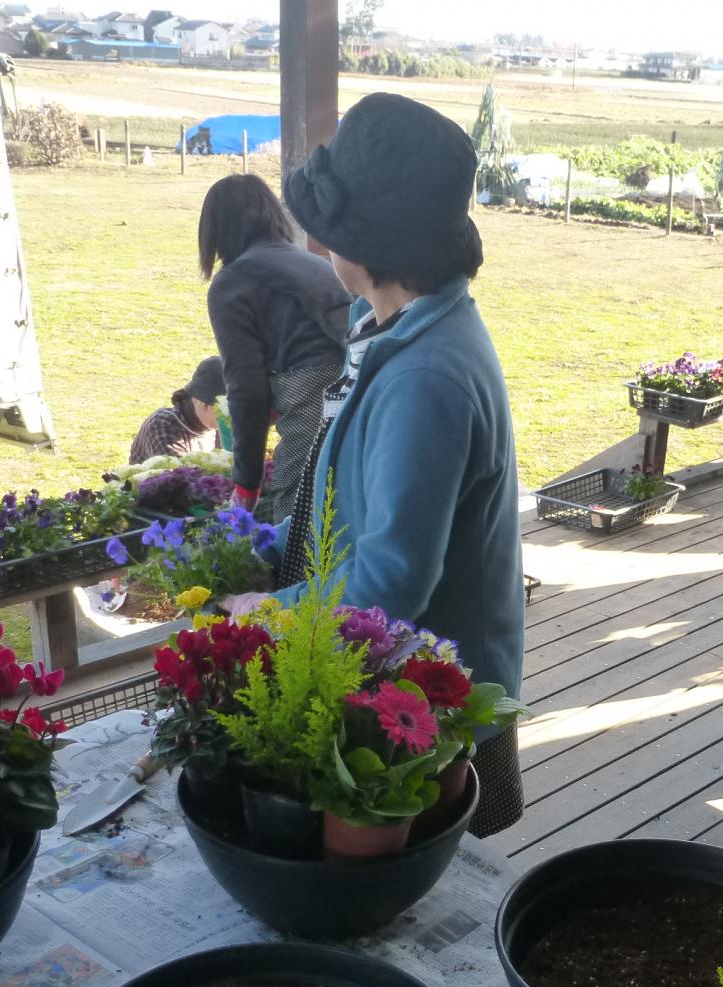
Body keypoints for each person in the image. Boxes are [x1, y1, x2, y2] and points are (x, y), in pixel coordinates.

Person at [276, 93, 525, 836]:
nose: (316, 240)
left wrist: (269, 615)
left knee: (423, 895)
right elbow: (355, 497)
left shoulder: (427, 379)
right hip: (403, 689)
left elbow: (389, 589)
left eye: (325, 228)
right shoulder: (389, 326)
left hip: (429, 721)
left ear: (366, 244)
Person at [200, 173, 350, 521]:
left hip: (311, 396)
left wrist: (246, 483)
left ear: (215, 230)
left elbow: (246, 387)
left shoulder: (232, 283)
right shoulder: (313, 263)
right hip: (357, 384)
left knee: (298, 517)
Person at [127, 355, 223, 466]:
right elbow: (180, 478)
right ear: (200, 399)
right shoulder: (163, 424)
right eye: (222, 408)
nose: (229, 417)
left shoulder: (219, 429)